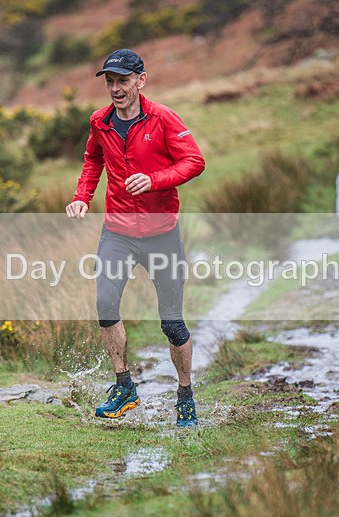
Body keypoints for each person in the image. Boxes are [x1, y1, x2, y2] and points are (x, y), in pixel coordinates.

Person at [65, 49, 205, 427]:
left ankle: (185, 395)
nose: (115, 88)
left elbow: (194, 161)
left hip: (162, 234)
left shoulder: (162, 118)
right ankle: (125, 387)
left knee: (172, 323)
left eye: (122, 80)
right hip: (118, 232)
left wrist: (155, 179)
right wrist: (81, 197)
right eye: (110, 82)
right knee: (106, 304)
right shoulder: (100, 121)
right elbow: (93, 159)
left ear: (140, 80)